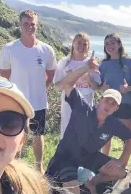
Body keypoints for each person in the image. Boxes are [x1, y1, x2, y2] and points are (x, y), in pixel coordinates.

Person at [45, 52, 131, 194]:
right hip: (66, 158)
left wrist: (121, 160)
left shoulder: (112, 123)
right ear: (99, 100)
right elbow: (67, 84)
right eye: (107, 100)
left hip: (89, 157)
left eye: (113, 104)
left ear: (116, 109)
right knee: (70, 190)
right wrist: (85, 67)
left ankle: (92, 183)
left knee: (122, 172)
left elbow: (129, 138)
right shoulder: (82, 107)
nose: (109, 104)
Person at [0, 10, 57, 173]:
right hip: (16, 102)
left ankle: (39, 166)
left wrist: (40, 90)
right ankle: (14, 166)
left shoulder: (47, 50)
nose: (29, 27)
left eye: (33, 24)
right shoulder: (9, 48)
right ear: (20, 25)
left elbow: (51, 75)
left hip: (38, 102)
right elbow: (4, 77)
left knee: (38, 135)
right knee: (15, 134)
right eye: (26, 24)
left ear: (36, 26)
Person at [53, 32, 99, 183]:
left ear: (88, 47)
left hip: (86, 108)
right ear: (73, 43)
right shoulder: (64, 63)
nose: (81, 46)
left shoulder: (92, 64)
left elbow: (96, 87)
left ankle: (82, 174)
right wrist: (72, 77)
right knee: (66, 138)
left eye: (84, 43)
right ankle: (63, 173)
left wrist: (90, 78)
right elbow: (58, 87)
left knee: (84, 140)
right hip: (68, 107)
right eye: (78, 42)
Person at [92, 33, 131, 157]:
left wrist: (128, 88)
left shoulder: (128, 62)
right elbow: (99, 86)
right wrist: (99, 87)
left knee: (128, 136)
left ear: (119, 44)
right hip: (108, 104)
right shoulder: (103, 64)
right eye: (107, 43)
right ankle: (104, 160)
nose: (109, 46)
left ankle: (122, 163)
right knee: (105, 135)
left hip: (125, 103)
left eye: (112, 42)